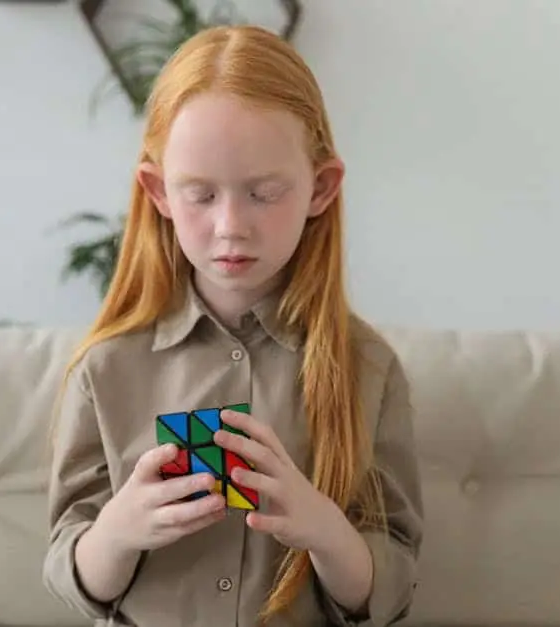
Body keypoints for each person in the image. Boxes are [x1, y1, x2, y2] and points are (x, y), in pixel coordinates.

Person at [43, 24, 424, 627]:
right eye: (200, 195)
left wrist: (325, 530)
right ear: (159, 192)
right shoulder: (107, 367)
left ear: (320, 189)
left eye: (264, 192)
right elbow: (73, 574)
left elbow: (389, 589)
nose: (230, 227)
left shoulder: (368, 368)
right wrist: (119, 531)